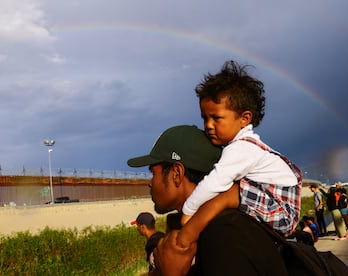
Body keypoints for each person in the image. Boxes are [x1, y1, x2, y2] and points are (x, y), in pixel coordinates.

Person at [128, 125, 288, 275]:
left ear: (176, 173)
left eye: (153, 173)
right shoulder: (210, 226)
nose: (150, 183)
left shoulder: (224, 233)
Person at [178, 60, 302, 248]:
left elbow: (216, 181)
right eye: (205, 118)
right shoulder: (249, 145)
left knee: (228, 191)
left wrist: (188, 210)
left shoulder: (241, 148)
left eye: (216, 118)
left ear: (244, 118)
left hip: (282, 212)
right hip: (276, 206)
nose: (208, 125)